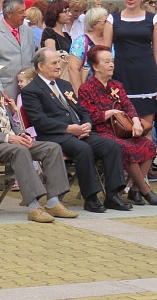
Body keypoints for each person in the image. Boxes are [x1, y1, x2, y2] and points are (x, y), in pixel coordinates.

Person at [0, 55, 73, 223]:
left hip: (8, 141)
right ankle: (33, 207)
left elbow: (9, 122)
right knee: (19, 150)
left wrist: (20, 134)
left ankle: (54, 201)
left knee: (52, 148)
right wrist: (8, 138)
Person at [21, 48, 130, 214]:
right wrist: (68, 128)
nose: (59, 66)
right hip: (55, 135)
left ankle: (113, 194)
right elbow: (40, 121)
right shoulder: (31, 90)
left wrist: (86, 124)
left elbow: (82, 110)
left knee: (111, 145)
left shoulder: (64, 85)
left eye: (59, 62)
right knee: (83, 149)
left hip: (79, 131)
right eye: (54, 63)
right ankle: (91, 197)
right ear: (41, 66)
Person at [78, 46, 157, 205]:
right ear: (95, 66)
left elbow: (128, 106)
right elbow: (89, 116)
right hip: (100, 131)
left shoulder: (116, 85)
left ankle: (135, 190)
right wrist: (110, 112)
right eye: (106, 62)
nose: (111, 65)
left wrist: (135, 121)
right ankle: (145, 190)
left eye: (112, 61)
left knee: (149, 144)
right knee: (126, 148)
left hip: (121, 131)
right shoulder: (86, 88)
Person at [110, 0, 157, 126]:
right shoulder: (112, 19)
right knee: (122, 126)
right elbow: (105, 53)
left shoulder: (153, 19)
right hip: (121, 73)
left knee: (146, 127)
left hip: (146, 74)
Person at [0, 0, 36, 99]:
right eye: (21, 12)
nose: (25, 15)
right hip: (6, 91)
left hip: (30, 91)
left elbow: (32, 60)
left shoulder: (28, 32)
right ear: (9, 14)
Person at [67, 7, 112, 93]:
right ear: (93, 23)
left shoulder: (110, 40)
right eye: (105, 21)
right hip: (89, 90)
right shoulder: (81, 42)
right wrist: (79, 93)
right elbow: (73, 69)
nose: (108, 24)